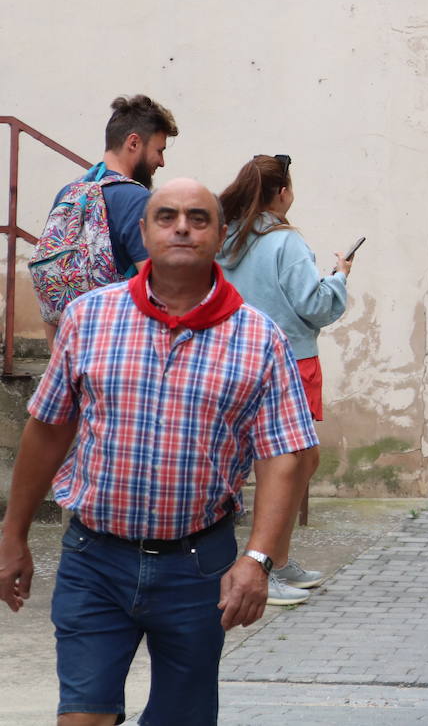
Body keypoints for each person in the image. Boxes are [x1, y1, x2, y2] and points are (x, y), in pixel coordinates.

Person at [0, 178, 318, 725]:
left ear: (220, 235)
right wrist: (12, 534)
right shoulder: (88, 318)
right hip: (93, 559)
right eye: (166, 216)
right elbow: (48, 429)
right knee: (82, 717)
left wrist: (259, 560)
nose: (181, 228)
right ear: (144, 232)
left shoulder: (260, 339)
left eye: (198, 218)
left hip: (199, 568)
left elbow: (283, 456)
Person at [217, 153, 350, 602]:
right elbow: (314, 306)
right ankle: (262, 565)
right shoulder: (285, 240)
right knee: (285, 465)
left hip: (236, 357)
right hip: (288, 360)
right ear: (281, 193)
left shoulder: (227, 235)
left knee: (298, 462)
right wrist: (339, 280)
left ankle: (275, 558)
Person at [35, 95, 179, 342]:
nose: (162, 162)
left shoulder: (69, 194)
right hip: (121, 349)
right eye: (159, 150)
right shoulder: (137, 199)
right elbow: (160, 294)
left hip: (72, 349)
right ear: (134, 143)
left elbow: (51, 288)